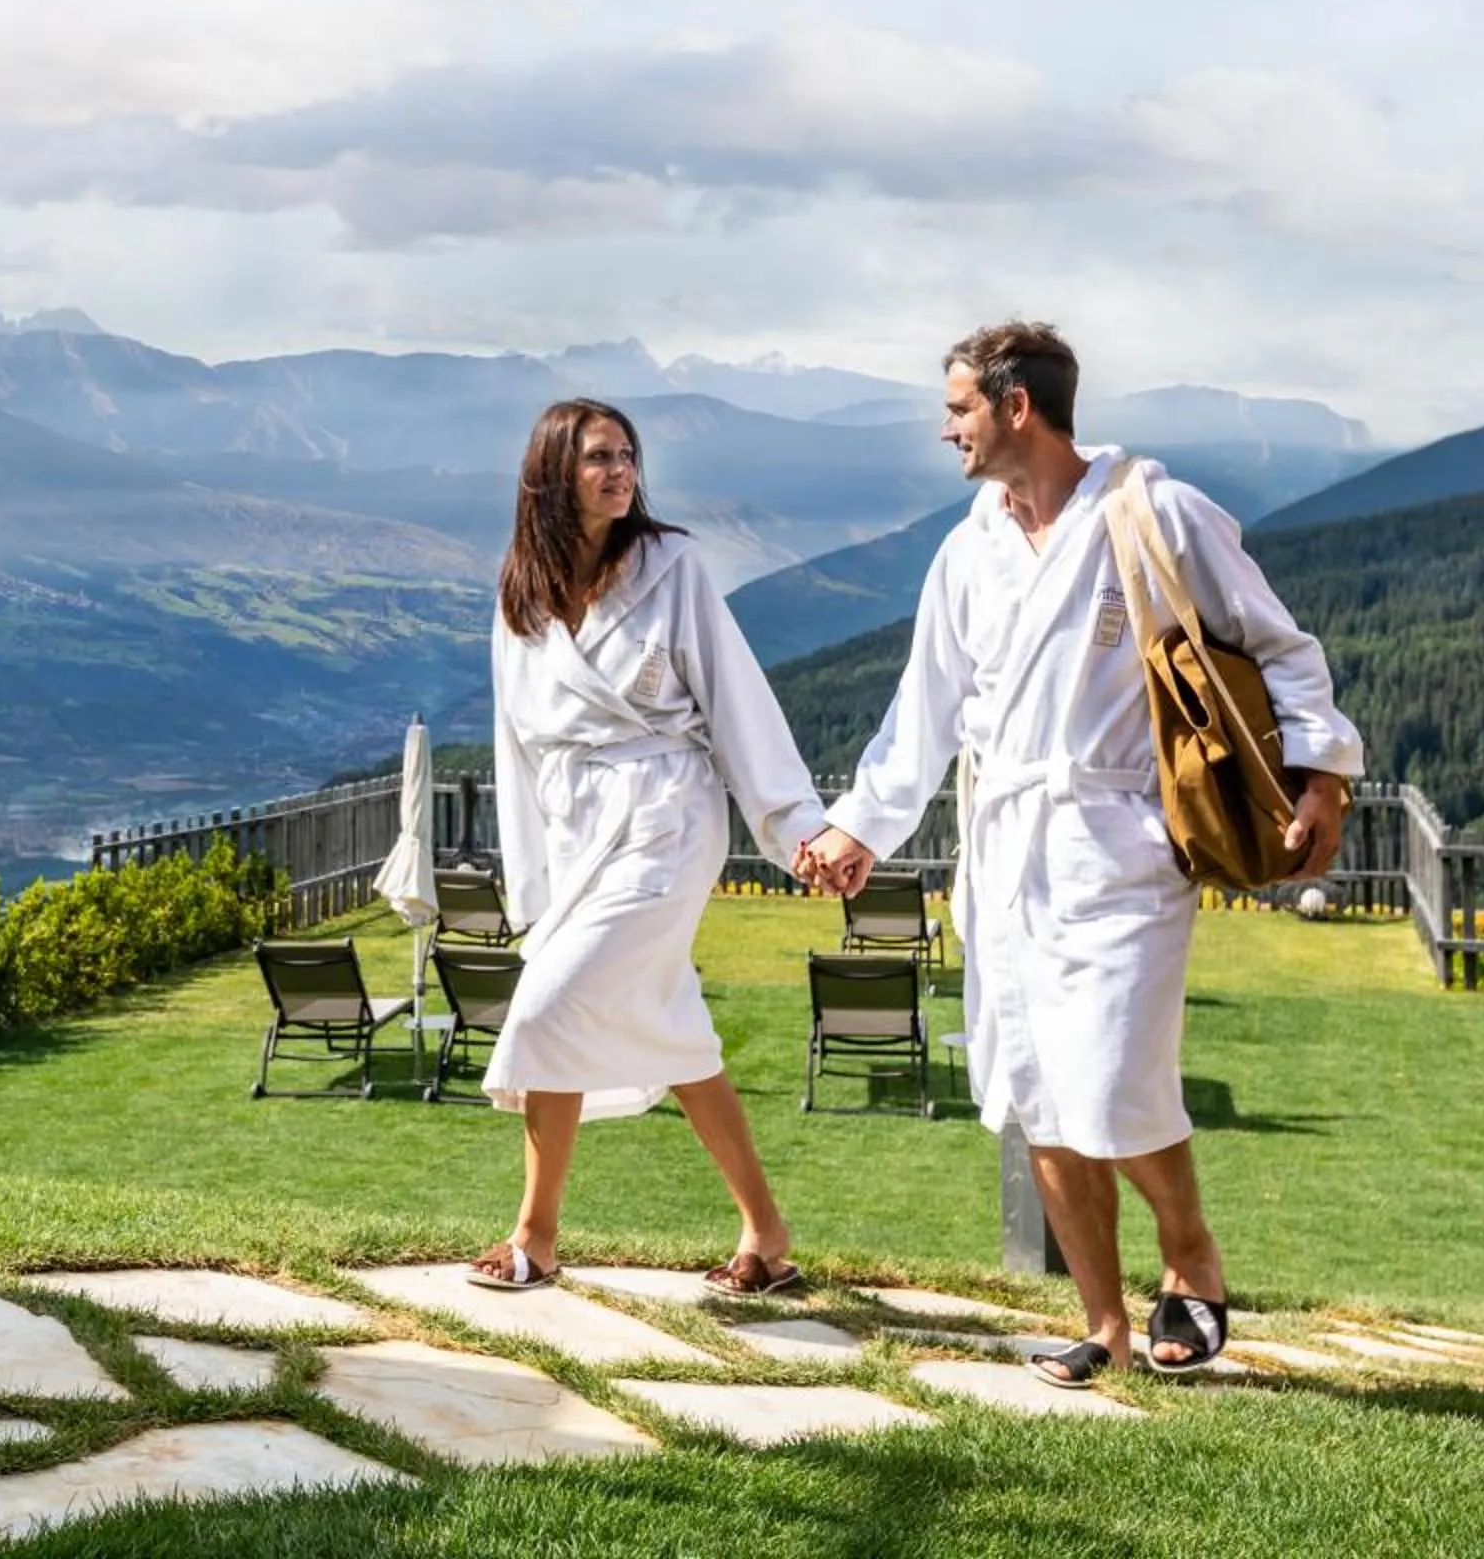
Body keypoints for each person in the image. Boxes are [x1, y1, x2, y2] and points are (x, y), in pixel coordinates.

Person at [795, 323, 1361, 1384]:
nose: (945, 426)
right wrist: (858, 825)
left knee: (1110, 1076)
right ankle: (1102, 1317)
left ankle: (1190, 1255)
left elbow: (1282, 645)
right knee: (1028, 1088)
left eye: (960, 405)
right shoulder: (968, 550)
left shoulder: (1151, 511)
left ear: (1017, 409)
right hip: (1003, 846)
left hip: (1119, 841)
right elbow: (923, 713)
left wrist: (1323, 773)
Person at [475, 397, 830, 1299]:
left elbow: (737, 697)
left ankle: (532, 1234)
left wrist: (795, 824)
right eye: (599, 457)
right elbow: (517, 750)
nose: (620, 471)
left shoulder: (673, 566)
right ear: (556, 473)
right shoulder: (522, 595)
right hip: (576, 826)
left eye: (628, 455)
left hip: (667, 818)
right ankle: (767, 1231)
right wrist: (534, 888)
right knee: (676, 1033)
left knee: (547, 1006)